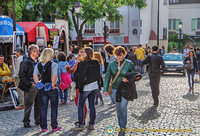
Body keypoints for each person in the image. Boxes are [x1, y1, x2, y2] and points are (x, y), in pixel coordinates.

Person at [104, 46, 136, 136]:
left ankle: (123, 127)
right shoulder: (111, 64)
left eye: (120, 55)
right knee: (118, 109)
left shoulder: (128, 63)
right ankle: (121, 125)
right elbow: (107, 77)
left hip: (126, 89)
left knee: (123, 107)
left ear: (124, 54)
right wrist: (105, 89)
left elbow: (135, 75)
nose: (119, 57)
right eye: (117, 55)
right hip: (115, 89)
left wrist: (129, 80)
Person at [71, 47, 101, 131]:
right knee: (91, 106)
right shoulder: (96, 62)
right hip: (94, 86)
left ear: (88, 54)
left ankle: (80, 124)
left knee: (80, 105)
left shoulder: (82, 64)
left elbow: (79, 77)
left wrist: (80, 87)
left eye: (83, 52)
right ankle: (91, 124)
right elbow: (98, 74)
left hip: (85, 87)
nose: (81, 54)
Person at [33, 48, 61, 132]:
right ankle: (54, 125)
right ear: (50, 55)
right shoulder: (53, 64)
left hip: (43, 87)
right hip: (51, 88)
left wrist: (39, 85)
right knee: (53, 107)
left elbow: (35, 75)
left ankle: (44, 127)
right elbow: (54, 75)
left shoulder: (38, 64)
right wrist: (53, 85)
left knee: (43, 107)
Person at [19, 44, 40, 128]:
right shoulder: (25, 62)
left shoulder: (38, 61)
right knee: (28, 104)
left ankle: (38, 119)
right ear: (32, 52)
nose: (38, 53)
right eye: (37, 51)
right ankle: (26, 121)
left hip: (38, 84)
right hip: (31, 85)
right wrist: (29, 83)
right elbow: (22, 75)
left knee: (39, 103)